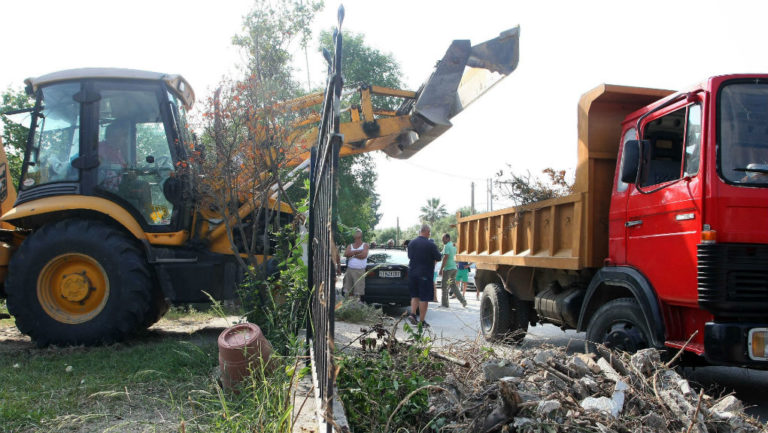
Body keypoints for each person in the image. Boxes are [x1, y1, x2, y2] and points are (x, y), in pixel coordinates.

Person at [407, 224, 442, 326]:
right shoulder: (430, 244)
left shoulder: (411, 243)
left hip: (412, 273)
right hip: (425, 274)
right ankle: (422, 321)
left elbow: (409, 256)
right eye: (429, 232)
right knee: (424, 298)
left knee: (415, 295)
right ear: (426, 232)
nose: (430, 234)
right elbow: (438, 257)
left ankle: (413, 314)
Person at [440, 234, 467, 308]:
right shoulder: (453, 245)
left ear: (448, 239)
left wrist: (441, 268)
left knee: (444, 287)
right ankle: (463, 301)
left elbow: (445, 257)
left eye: (444, 239)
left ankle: (444, 304)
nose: (442, 241)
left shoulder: (447, 246)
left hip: (448, 269)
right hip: (454, 268)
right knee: (453, 286)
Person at [343, 229, 369, 301]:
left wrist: (352, 255)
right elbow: (346, 254)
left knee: (358, 292)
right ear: (353, 235)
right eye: (355, 232)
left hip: (360, 271)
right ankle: (349, 306)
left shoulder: (365, 245)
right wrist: (357, 251)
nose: (356, 232)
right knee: (348, 291)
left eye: (358, 231)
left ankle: (356, 307)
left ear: (361, 234)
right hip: (350, 270)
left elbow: (363, 255)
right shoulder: (350, 245)